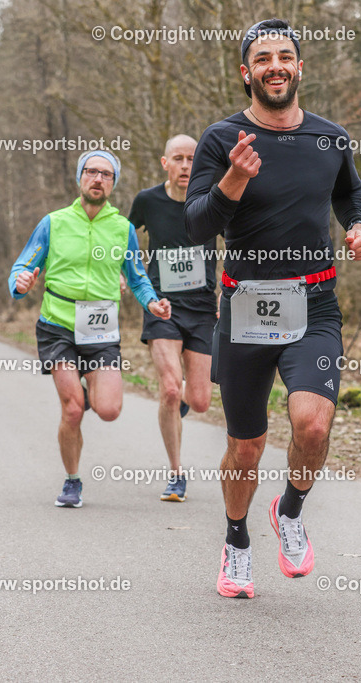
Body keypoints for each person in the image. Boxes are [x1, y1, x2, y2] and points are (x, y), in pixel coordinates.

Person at [186, 18, 361, 599]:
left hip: (314, 302)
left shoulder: (330, 137)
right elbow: (196, 227)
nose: (274, 65)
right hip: (245, 305)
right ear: (246, 72)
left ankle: (289, 509)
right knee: (246, 443)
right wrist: (233, 183)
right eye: (262, 57)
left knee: (314, 424)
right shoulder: (223, 140)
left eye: (284, 56)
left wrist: (359, 226)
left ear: (299, 67)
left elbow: (349, 191)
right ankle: (236, 540)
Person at [9, 150, 171, 508]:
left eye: (106, 174)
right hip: (58, 325)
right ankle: (72, 481)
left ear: (113, 183)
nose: (98, 179)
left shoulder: (123, 229)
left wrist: (152, 303)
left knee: (109, 409)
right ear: (80, 178)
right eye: (91, 172)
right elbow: (22, 265)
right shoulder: (53, 222)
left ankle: (85, 387)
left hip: (100, 328)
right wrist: (20, 283)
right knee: (72, 410)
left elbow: (138, 278)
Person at [129, 134, 216, 502]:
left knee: (199, 402)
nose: (185, 165)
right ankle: (176, 474)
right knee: (168, 388)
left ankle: (177, 406)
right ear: (165, 163)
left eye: (191, 158)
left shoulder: (214, 200)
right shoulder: (147, 201)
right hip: (161, 306)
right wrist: (124, 271)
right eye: (177, 158)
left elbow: (240, 240)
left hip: (203, 309)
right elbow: (124, 237)